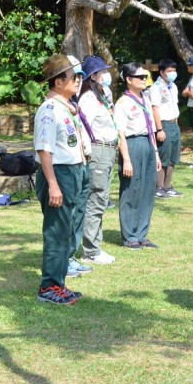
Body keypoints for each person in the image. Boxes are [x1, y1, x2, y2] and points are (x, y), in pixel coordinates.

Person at [34, 54, 90, 304]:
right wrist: (54, 184)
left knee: (67, 229)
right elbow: (44, 150)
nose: (78, 81)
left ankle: (59, 283)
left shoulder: (66, 107)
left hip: (73, 171)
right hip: (58, 173)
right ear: (57, 81)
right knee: (57, 232)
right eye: (73, 76)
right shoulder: (48, 110)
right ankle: (49, 287)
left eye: (79, 76)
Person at [114, 63, 161, 250]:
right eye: (140, 77)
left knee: (148, 190)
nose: (144, 80)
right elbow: (120, 133)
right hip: (132, 145)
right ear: (128, 80)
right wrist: (126, 159)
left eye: (145, 77)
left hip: (148, 145)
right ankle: (130, 236)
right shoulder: (123, 103)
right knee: (131, 190)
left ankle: (142, 234)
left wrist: (156, 153)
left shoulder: (146, 99)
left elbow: (151, 130)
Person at [77, 55, 118, 266]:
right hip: (98, 151)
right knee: (96, 199)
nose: (107, 75)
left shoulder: (101, 96)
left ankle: (94, 245)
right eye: (103, 72)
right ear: (94, 76)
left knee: (102, 198)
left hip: (108, 150)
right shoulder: (88, 99)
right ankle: (91, 250)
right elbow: (83, 128)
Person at [148, 59, 182, 198]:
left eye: (174, 70)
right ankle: (159, 187)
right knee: (163, 157)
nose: (173, 73)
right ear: (162, 73)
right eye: (169, 71)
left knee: (173, 157)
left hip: (174, 123)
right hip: (164, 124)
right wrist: (160, 129)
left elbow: (175, 106)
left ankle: (168, 186)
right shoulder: (156, 88)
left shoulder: (173, 86)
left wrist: (177, 125)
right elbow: (155, 109)